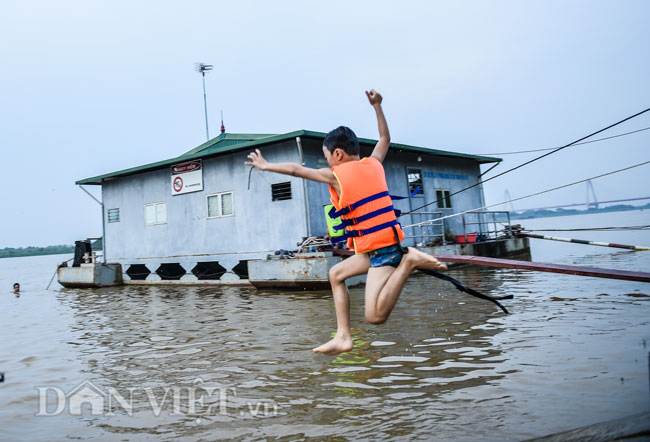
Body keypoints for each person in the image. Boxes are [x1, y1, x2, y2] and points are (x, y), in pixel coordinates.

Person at [246, 89, 447, 355]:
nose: (327, 160)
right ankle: (343, 336)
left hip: (384, 253)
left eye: (326, 155)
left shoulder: (336, 176)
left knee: (375, 317)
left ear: (338, 154)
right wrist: (377, 107)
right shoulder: (374, 163)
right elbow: (385, 138)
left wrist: (266, 166)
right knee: (335, 274)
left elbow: (296, 170)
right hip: (374, 248)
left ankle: (409, 262)